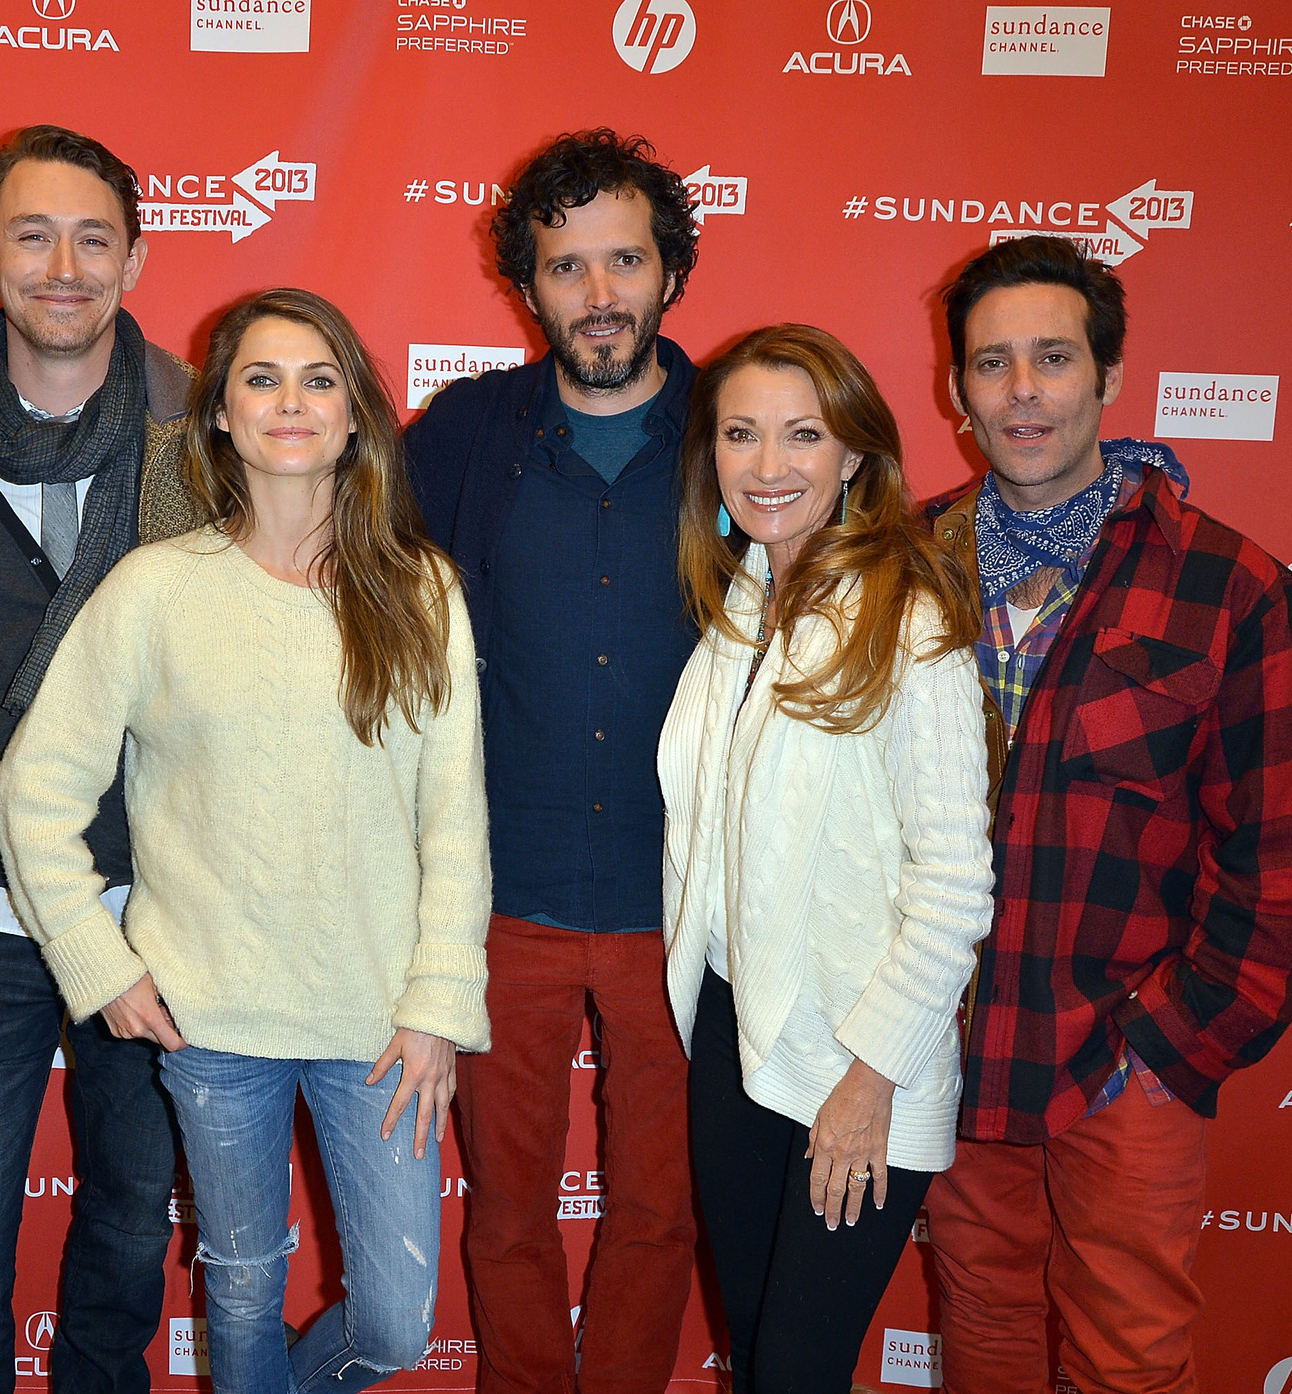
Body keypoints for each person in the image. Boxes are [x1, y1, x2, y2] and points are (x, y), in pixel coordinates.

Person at [0, 288, 490, 1393]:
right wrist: (98, 962)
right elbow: (33, 789)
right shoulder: (156, 589)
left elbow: (453, 818)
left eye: (319, 379)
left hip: (377, 1024)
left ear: (356, 413)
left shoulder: (421, 590)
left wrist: (439, 1003)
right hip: (212, 1021)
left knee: (400, 1325)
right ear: (218, 413)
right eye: (260, 379)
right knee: (244, 1302)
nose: (290, 403)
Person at [921, 236, 1292, 1394]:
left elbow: (1278, 864)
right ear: (955, 391)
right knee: (982, 1331)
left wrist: (1164, 1050)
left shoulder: (1228, 587)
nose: (1021, 390)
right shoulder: (904, 567)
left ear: (1105, 374)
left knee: (1126, 1360)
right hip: (942, 1048)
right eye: (991, 363)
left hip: (1121, 1054)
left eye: (1051, 357)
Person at [0, 125, 197, 1394]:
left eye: (90, 237)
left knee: (129, 1236)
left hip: (158, 910)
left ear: (133, 254)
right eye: (31, 234)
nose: (61, 267)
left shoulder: (209, 430)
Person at [404, 128, 701, 1394]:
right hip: (498, 894)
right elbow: (355, 603)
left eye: (622, 260)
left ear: (668, 272)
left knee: (656, 1211)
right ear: (527, 287)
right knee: (505, 1212)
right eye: (565, 266)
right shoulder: (464, 433)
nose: (597, 295)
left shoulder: (743, 432)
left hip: (686, 903)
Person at [658, 324, 994, 1392]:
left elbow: (952, 883)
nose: (766, 467)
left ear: (853, 453)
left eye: (801, 436)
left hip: (857, 1062)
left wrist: (868, 1078)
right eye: (739, 434)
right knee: (758, 1354)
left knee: (797, 1368)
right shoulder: (735, 607)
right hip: (732, 1033)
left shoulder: (908, 612)